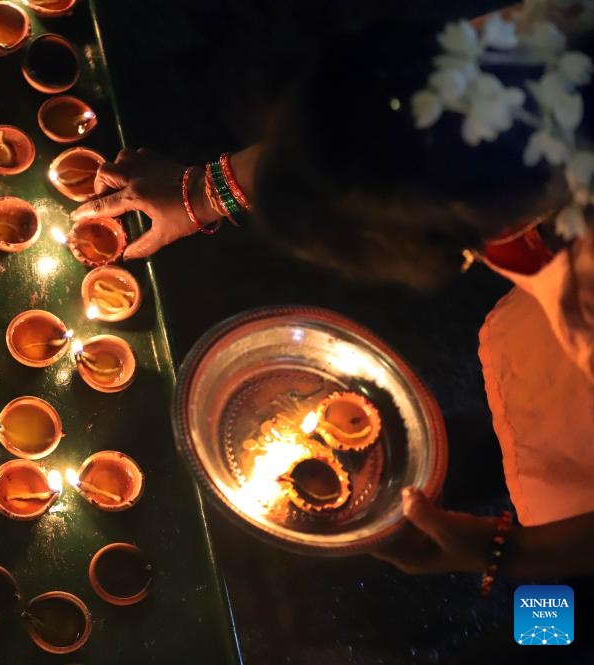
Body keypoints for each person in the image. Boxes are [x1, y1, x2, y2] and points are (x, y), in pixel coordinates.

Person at [71, 13, 594, 582]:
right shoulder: (531, 54)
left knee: (559, 475)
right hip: (554, 343)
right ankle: (485, 450)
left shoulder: (580, 300)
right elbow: (377, 125)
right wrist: (207, 189)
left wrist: (512, 555)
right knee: (523, 413)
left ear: (455, 246)